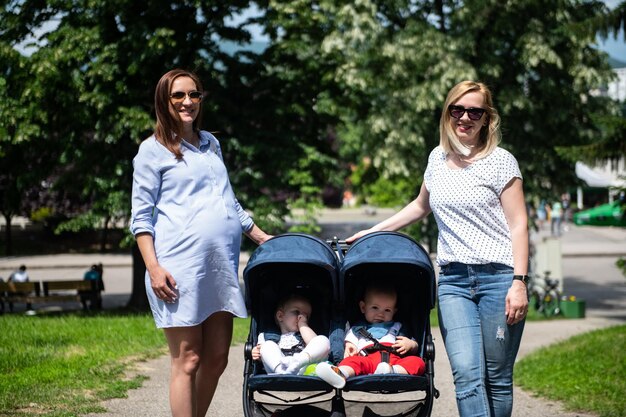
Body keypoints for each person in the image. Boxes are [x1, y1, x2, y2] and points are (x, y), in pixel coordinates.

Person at [345, 81, 529, 417]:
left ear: (487, 118)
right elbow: (419, 206)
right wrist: (371, 231)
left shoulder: (502, 161)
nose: (465, 118)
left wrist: (519, 281)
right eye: (457, 109)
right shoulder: (437, 158)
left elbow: (519, 224)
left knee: (497, 379)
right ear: (448, 113)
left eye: (475, 111)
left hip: (498, 280)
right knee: (467, 376)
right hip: (453, 283)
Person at [130, 69, 272, 417]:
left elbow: (229, 202)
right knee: (188, 358)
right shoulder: (152, 151)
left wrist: (262, 238)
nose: (187, 102)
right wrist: (153, 267)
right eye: (178, 95)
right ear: (164, 101)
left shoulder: (211, 143)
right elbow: (141, 218)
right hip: (179, 269)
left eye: (194, 94)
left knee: (218, 357)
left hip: (219, 267)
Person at [316, 283, 425, 389]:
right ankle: (341, 374)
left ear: (394, 311)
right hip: (366, 359)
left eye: (387, 310)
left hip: (394, 360)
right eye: (375, 308)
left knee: (417, 362)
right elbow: (350, 341)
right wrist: (350, 346)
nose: (381, 314)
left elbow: (414, 344)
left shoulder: (398, 326)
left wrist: (411, 344)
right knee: (352, 361)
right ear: (363, 307)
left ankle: (393, 371)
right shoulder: (358, 328)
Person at [251, 294, 330, 375]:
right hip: (277, 368)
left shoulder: (306, 333)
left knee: (323, 340)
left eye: (305, 316)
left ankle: (298, 361)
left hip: (303, 367)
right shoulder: (267, 335)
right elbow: (264, 355)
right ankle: (283, 372)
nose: (300, 317)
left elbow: (314, 342)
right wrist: (256, 353)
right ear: (280, 316)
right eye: (296, 312)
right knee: (267, 346)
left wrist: (303, 325)